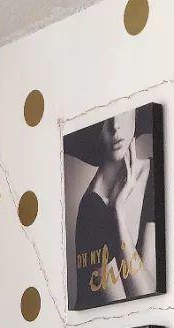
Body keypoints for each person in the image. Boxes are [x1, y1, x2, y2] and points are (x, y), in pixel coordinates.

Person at [67, 106, 157, 309]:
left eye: (123, 110)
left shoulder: (153, 174)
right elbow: (135, 308)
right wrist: (117, 215)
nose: (115, 125)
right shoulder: (91, 210)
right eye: (106, 117)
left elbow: (149, 288)